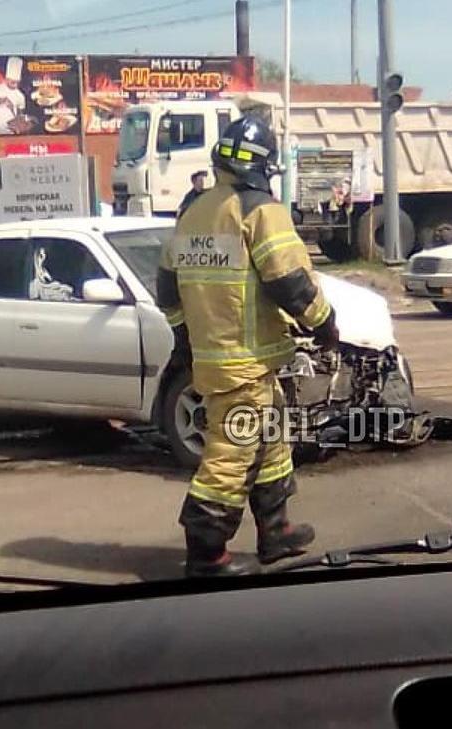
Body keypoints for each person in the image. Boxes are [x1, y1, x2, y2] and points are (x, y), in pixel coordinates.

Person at [157, 115, 340, 577]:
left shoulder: (193, 212)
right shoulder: (259, 210)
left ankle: (275, 533)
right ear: (264, 166)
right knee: (231, 454)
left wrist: (186, 339)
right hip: (245, 362)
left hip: (220, 358)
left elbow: (167, 289)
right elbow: (288, 280)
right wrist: (325, 323)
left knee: (271, 442)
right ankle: (206, 553)